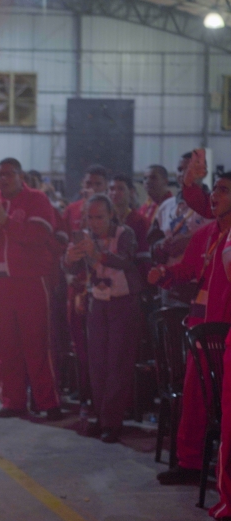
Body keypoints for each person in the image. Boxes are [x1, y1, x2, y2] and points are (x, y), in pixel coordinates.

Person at [149, 171, 231, 486]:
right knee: (195, 398)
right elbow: (188, 269)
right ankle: (189, 462)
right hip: (200, 328)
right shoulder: (206, 233)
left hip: (225, 331)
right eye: (216, 189)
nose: (216, 195)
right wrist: (165, 273)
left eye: (224, 190)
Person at [0, 158, 62, 420]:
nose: (3, 179)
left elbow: (40, 235)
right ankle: (13, 401)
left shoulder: (37, 199)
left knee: (37, 344)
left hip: (30, 280)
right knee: (3, 344)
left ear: (21, 176)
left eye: (9, 174)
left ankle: (48, 402)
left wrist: (7, 222)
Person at [65, 194, 141, 443]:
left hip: (123, 302)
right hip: (97, 302)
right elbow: (73, 269)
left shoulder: (124, 233)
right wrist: (70, 258)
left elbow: (128, 262)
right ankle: (101, 417)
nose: (95, 222)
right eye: (90, 217)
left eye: (100, 217)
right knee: (97, 364)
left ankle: (112, 421)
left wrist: (98, 255)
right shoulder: (85, 236)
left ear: (111, 216)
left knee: (117, 363)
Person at [62, 165, 109, 414]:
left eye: (98, 184)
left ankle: (106, 402)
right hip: (78, 289)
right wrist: (68, 270)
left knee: (103, 349)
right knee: (80, 346)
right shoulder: (71, 210)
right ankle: (84, 396)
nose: (92, 188)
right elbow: (63, 247)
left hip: (105, 290)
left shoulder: (112, 213)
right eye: (89, 183)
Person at [149, 152, 211, 305]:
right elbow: (152, 244)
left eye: (190, 169)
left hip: (203, 282)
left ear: (203, 173)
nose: (183, 174)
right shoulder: (165, 207)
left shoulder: (214, 205)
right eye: (180, 169)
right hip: (171, 281)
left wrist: (192, 243)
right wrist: (161, 246)